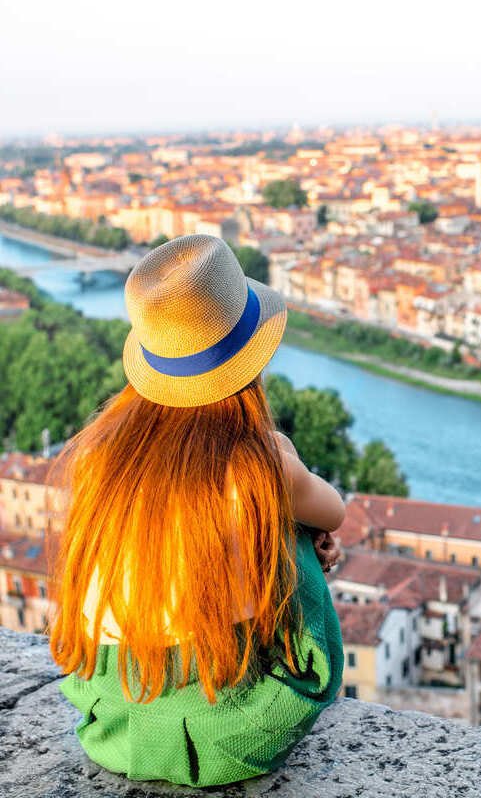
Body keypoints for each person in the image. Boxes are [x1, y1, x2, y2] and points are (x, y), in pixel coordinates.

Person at [47, 234, 345, 787]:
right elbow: (335, 513)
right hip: (234, 729)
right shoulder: (260, 465)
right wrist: (283, 460)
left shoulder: (98, 454)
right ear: (249, 358)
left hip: (115, 717)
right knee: (282, 517)